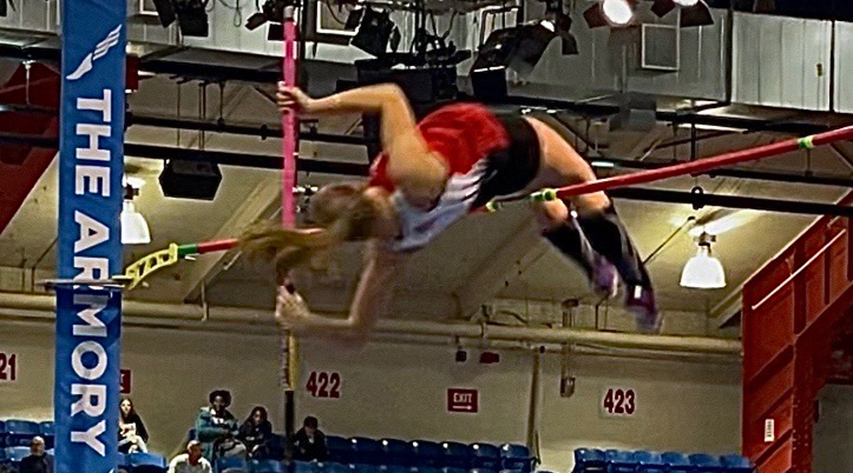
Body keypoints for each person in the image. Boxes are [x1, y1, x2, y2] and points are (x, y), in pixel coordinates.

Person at [242, 83, 659, 333]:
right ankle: (635, 284)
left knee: (550, 209)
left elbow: (356, 332)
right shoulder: (410, 182)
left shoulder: (389, 252)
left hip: (489, 164)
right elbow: (388, 96)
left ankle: (599, 271)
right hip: (511, 149)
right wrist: (313, 106)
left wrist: (306, 323)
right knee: (583, 188)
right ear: (357, 190)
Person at [194, 390, 247, 461]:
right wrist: (222, 432)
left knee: (241, 449)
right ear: (212, 402)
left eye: (222, 402)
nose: (218, 404)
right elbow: (201, 431)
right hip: (208, 447)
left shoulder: (229, 417)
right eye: (216, 402)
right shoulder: (204, 416)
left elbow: (235, 431)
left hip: (226, 447)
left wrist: (233, 434)